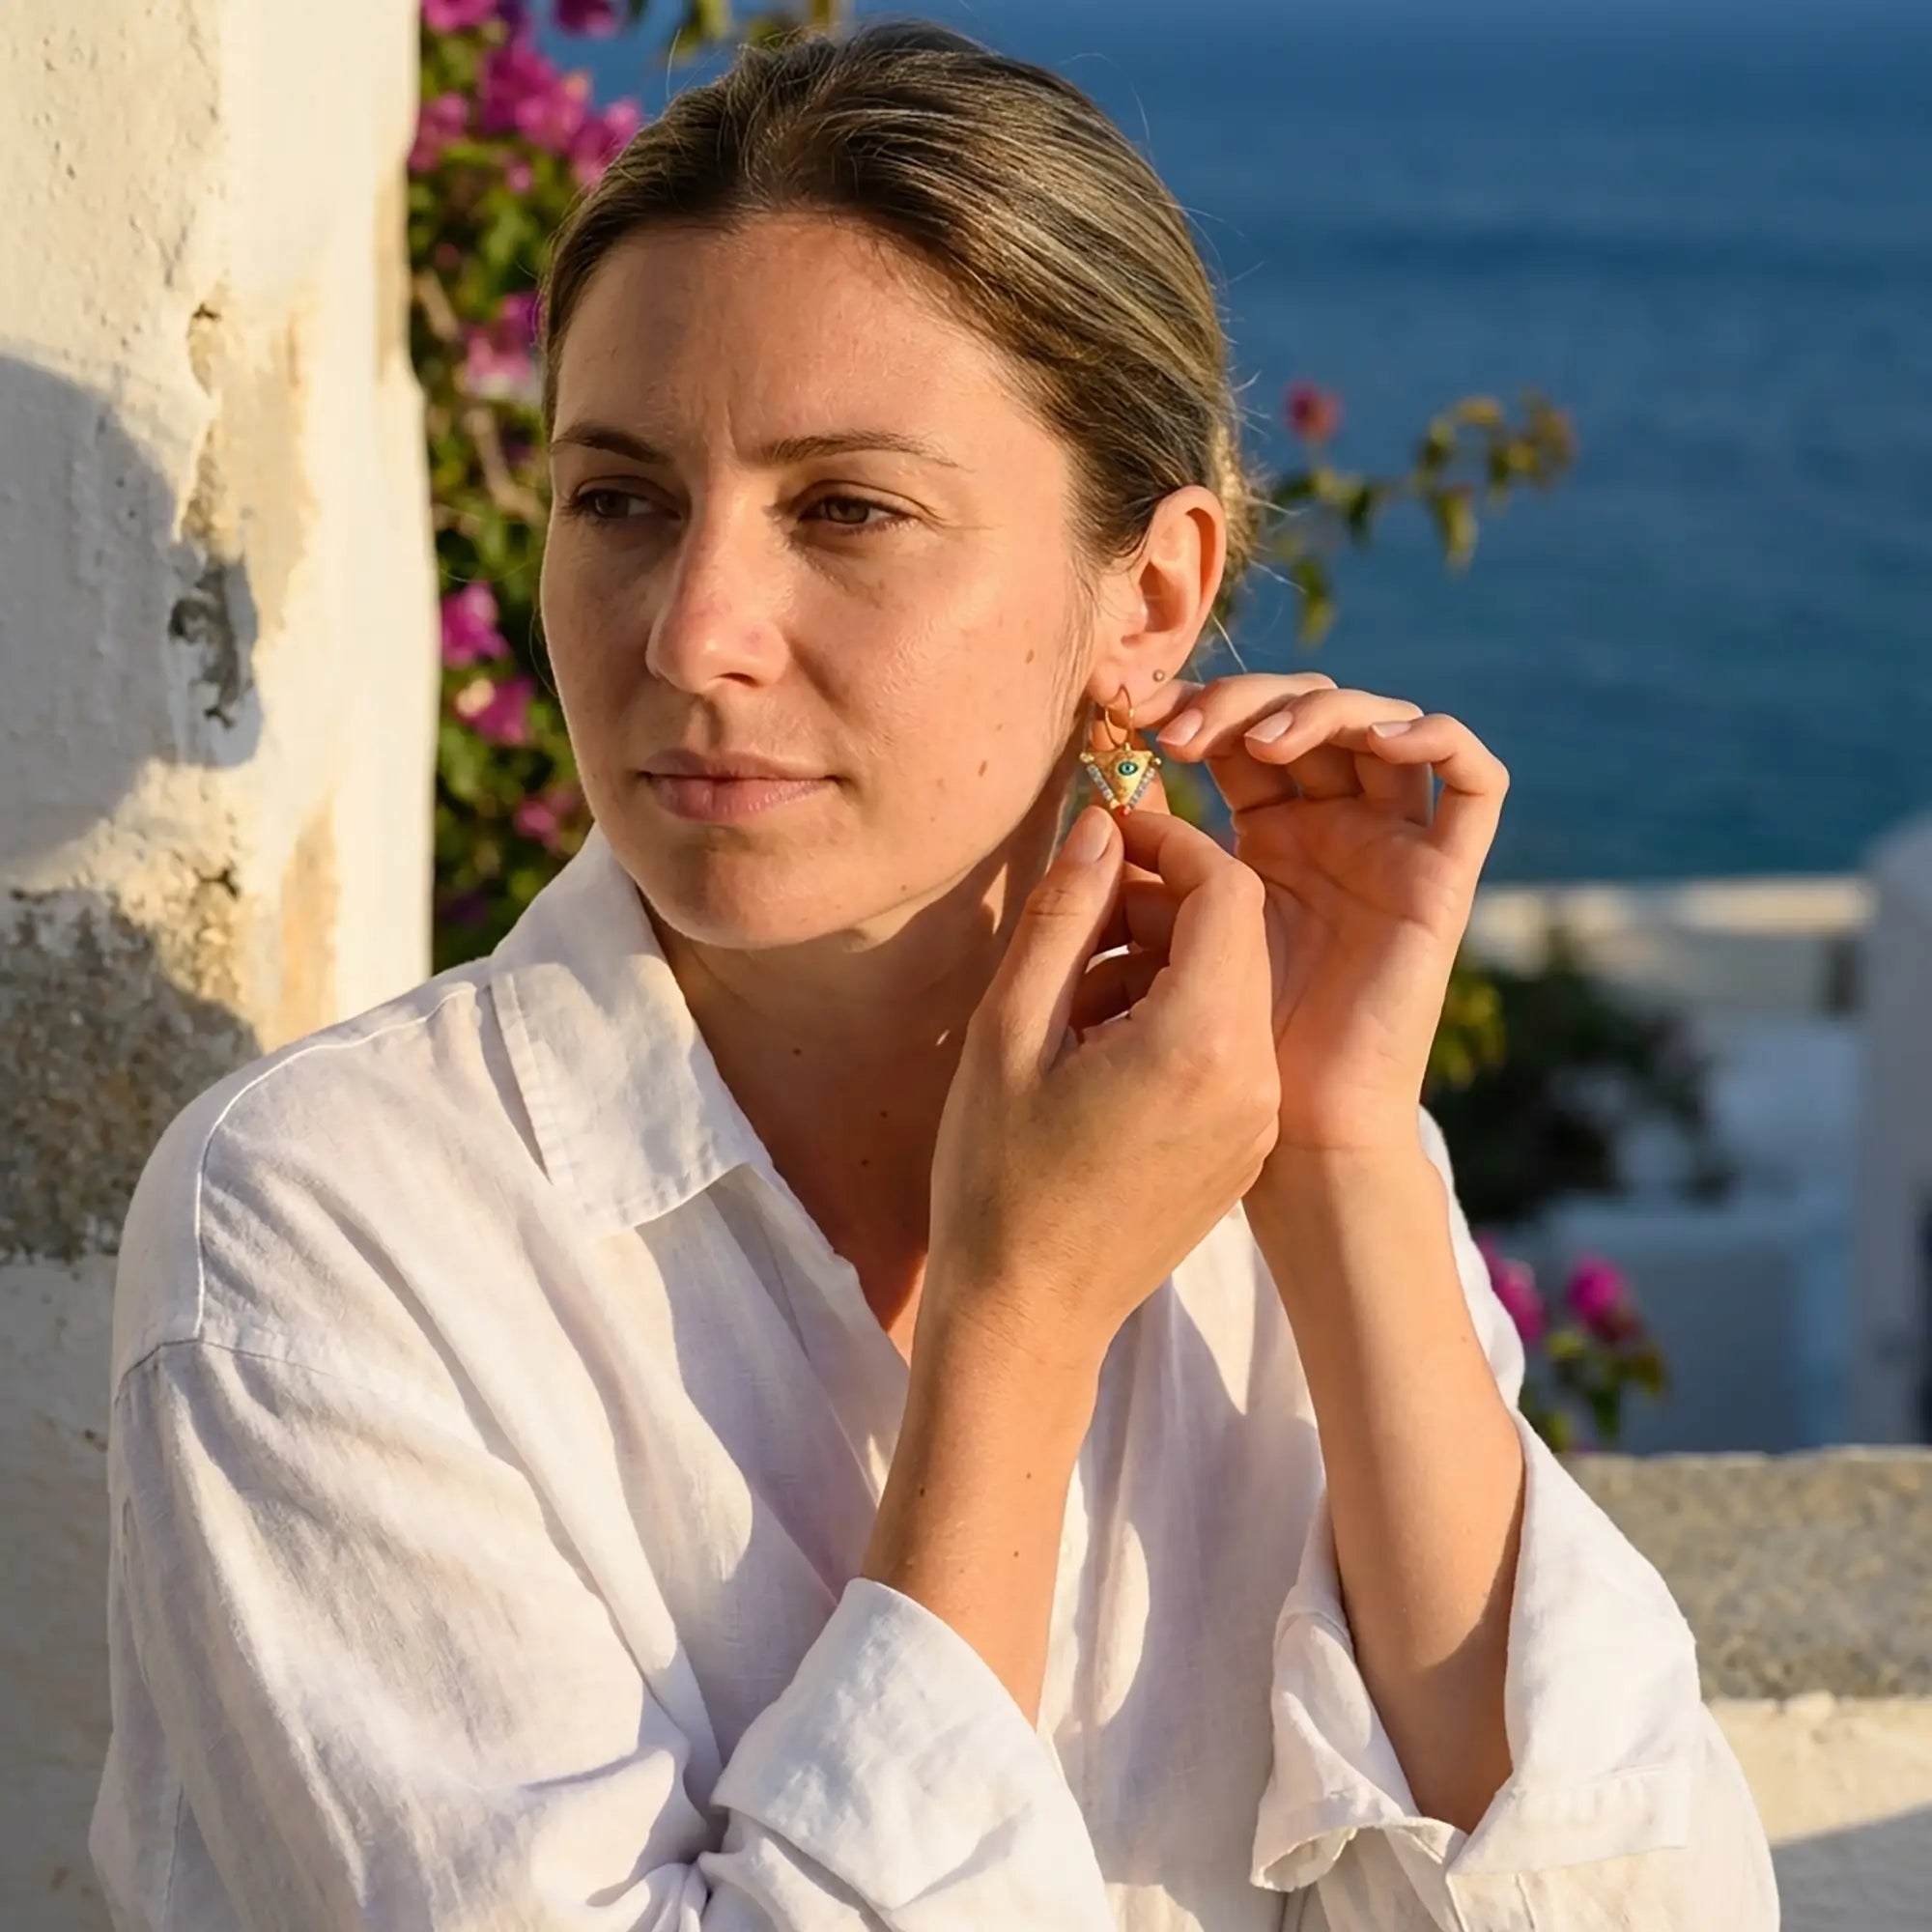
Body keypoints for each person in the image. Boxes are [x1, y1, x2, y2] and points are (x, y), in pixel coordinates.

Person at [91, 21, 1779, 1931]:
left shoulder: (1262, 1156)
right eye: (617, 498)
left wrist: (1338, 1153)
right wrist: (1017, 1320)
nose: (696, 631)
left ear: (1147, 595)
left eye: (845, 510)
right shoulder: (330, 1235)